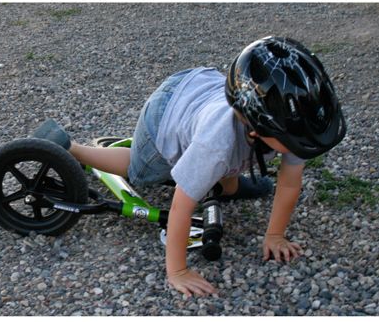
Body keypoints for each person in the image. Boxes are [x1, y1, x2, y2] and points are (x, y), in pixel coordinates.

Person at [31, 36, 346, 299]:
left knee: (225, 166)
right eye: (291, 140)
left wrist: (275, 235)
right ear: (257, 129)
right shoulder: (217, 145)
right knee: (141, 170)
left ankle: (229, 184)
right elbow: (181, 206)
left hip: (199, 90)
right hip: (165, 115)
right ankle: (71, 147)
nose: (300, 146)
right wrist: (178, 271)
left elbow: (290, 182)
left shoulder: (296, 126)